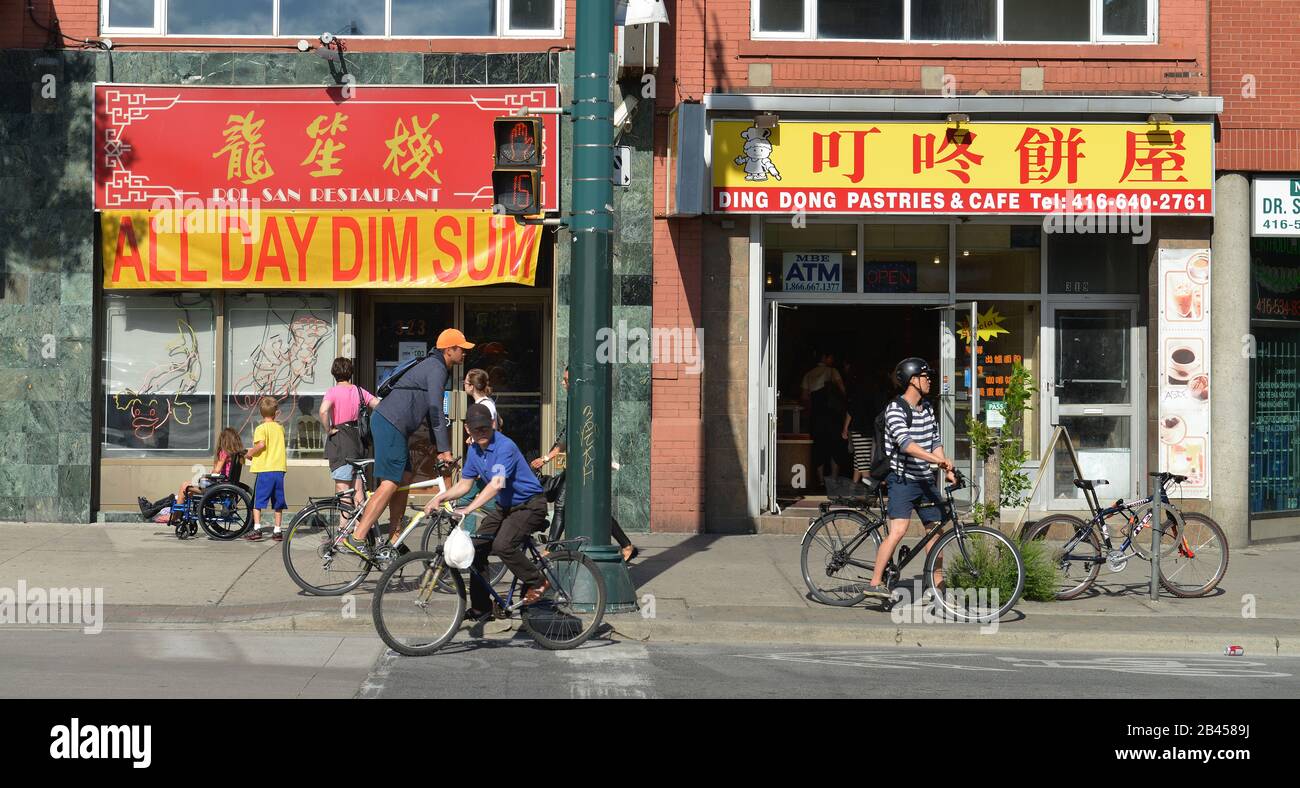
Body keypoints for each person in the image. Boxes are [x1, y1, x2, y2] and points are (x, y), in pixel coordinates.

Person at [344, 328, 473, 557]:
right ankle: (358, 536)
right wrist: (444, 450)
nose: (464, 354)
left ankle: (394, 538)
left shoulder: (435, 366)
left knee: (403, 479)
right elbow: (435, 410)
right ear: (449, 349)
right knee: (391, 482)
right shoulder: (436, 368)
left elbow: (429, 413)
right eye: (461, 349)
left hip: (393, 425)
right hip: (390, 423)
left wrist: (438, 450)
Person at [427, 403, 549, 619]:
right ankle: (482, 607)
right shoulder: (474, 451)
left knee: (503, 545)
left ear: (493, 425)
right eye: (476, 429)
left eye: (485, 428)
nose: (481, 432)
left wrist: (469, 508)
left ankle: (538, 581)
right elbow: (464, 484)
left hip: (530, 504)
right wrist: (439, 497)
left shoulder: (505, 447)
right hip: (506, 507)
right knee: (475, 548)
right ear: (467, 430)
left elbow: (496, 483)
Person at [861, 357, 955, 599]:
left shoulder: (928, 408)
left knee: (935, 532)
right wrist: (937, 461)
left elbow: (935, 441)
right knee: (899, 530)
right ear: (913, 380)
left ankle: (937, 585)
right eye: (926, 376)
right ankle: (874, 582)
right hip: (902, 480)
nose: (930, 380)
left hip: (925, 479)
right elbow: (906, 445)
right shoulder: (895, 409)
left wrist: (946, 467)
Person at [531, 366, 638, 562]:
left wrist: (548, 458)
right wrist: (546, 458)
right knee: (576, 506)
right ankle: (626, 545)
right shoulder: (574, 402)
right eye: (563, 379)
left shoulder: (583, 402)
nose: (563, 383)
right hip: (575, 466)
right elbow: (567, 437)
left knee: (585, 507)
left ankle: (550, 549)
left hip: (585, 467)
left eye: (567, 380)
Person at [138, 427, 244, 523]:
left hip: (218, 489)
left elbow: (216, 471)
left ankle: (173, 516)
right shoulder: (236, 455)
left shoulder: (224, 453)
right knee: (186, 492)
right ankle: (155, 509)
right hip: (225, 487)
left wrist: (209, 475)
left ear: (224, 441)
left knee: (185, 485)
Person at [320, 357, 380, 504]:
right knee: (358, 489)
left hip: (341, 442)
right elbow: (379, 405)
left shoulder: (332, 392)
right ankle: (360, 526)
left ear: (334, 373)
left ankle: (343, 526)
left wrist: (328, 430)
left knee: (344, 490)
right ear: (350, 372)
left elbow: (323, 411)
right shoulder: (360, 391)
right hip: (358, 441)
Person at [801, 350, 851, 489]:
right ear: (825, 357)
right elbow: (842, 390)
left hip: (817, 416)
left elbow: (805, 397)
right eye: (831, 357)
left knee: (819, 446)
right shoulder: (832, 371)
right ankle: (834, 479)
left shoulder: (808, 374)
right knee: (835, 446)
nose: (832, 359)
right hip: (832, 415)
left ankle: (821, 480)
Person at [245, 396, 288, 542]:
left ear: (261, 413)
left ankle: (257, 528)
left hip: (265, 469)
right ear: (276, 413)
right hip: (279, 469)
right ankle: (277, 530)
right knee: (278, 501)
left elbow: (261, 445)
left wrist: (250, 453)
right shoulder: (280, 428)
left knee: (258, 501)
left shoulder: (260, 428)